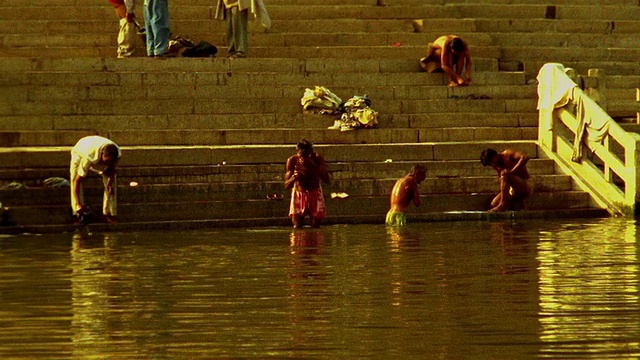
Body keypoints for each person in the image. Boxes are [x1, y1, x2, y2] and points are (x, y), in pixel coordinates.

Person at [70, 136, 121, 224]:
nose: (108, 164)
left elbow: (113, 170)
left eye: (110, 162)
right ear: (102, 155)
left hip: (98, 151)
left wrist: (109, 183)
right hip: (80, 151)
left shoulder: (117, 155)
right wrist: (78, 204)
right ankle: (77, 213)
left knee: (112, 186)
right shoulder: (89, 156)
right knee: (74, 177)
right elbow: (77, 181)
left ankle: (109, 214)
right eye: (106, 161)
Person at [284, 139, 331, 228]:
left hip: (315, 194)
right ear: (297, 153)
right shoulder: (292, 161)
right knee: (297, 227)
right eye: (302, 156)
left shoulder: (317, 159)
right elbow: (286, 185)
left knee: (315, 227)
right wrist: (294, 177)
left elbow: (327, 180)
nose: (304, 159)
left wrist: (312, 166)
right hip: (298, 194)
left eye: (308, 156)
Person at [480, 148, 533, 212]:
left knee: (505, 175)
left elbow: (525, 157)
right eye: (490, 164)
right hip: (512, 190)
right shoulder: (496, 166)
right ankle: (516, 204)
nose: (492, 165)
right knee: (493, 204)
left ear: (495, 156)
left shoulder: (507, 154)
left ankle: (503, 205)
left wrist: (511, 172)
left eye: (492, 162)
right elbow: (503, 183)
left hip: (526, 185)